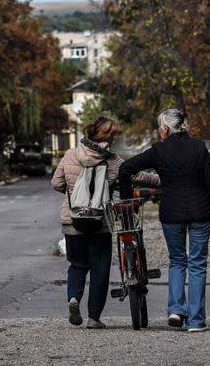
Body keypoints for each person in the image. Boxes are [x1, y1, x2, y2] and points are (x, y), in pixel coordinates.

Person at [119, 108, 210, 333]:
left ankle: (176, 310)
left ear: (166, 128)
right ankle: (196, 321)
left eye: (160, 127)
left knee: (177, 261)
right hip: (200, 212)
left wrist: (127, 198)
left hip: (171, 214)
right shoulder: (198, 147)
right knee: (197, 264)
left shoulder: (158, 150)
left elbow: (125, 168)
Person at [51, 115, 159, 329]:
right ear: (109, 136)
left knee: (77, 265)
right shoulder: (113, 160)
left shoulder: (70, 154)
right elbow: (136, 176)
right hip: (99, 222)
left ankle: (73, 298)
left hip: (73, 221)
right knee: (100, 270)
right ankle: (93, 318)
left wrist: (73, 195)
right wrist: (161, 178)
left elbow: (56, 183)